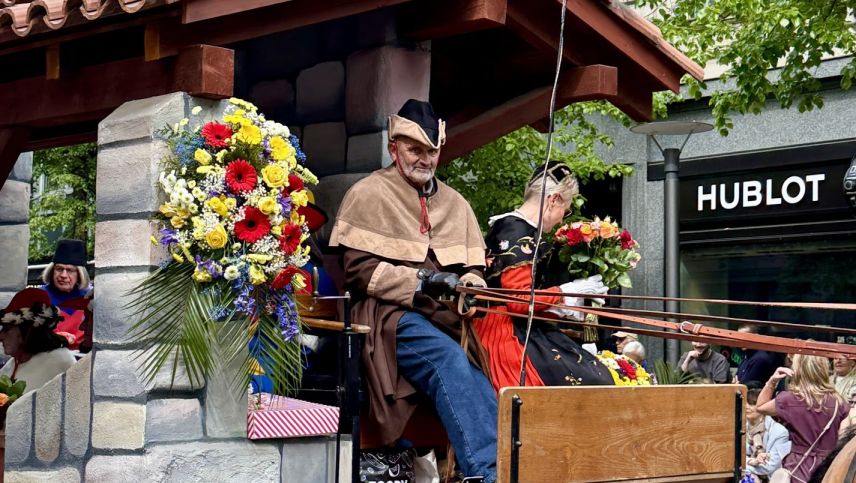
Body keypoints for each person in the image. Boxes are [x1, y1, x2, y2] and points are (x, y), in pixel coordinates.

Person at [329, 99, 496, 482]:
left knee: (487, 373)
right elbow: (357, 272)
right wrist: (423, 282)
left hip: (447, 321)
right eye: (415, 150)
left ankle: (505, 466)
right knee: (448, 361)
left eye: (431, 151)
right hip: (386, 318)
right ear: (394, 148)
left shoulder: (456, 203)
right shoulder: (368, 192)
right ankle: (487, 475)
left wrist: (472, 284)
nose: (424, 159)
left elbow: (473, 267)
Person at [472, 162, 614, 390]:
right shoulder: (517, 231)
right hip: (505, 332)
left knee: (592, 374)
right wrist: (565, 293)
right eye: (565, 210)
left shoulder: (514, 227)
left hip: (517, 326)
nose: (561, 219)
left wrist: (564, 305)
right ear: (553, 199)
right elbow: (518, 301)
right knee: (589, 380)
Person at [756, 354, 850, 482]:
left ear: (798, 369)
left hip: (798, 468)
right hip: (829, 467)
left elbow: (760, 407)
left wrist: (772, 381)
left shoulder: (789, 399)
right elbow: (843, 439)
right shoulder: (839, 402)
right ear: (823, 369)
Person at [0, 288, 77, 393]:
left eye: (7, 329)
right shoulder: (13, 363)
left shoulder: (60, 361)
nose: (1, 337)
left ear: (28, 330)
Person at [40, 239, 91, 352]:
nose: (63, 275)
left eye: (70, 270)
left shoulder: (90, 299)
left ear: (79, 274)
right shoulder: (37, 298)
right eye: (59, 269)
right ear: (52, 271)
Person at [744, 386, 792, 482]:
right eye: (746, 403)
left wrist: (741, 465)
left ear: (763, 408)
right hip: (745, 474)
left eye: (752, 404)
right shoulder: (740, 427)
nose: (747, 407)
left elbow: (769, 466)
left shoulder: (780, 432)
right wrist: (750, 461)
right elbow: (731, 457)